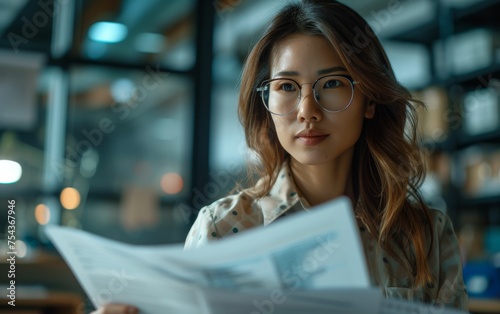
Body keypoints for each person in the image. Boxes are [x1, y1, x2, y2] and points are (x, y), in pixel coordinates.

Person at [93, 0, 468, 313]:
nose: (307, 109)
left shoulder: (427, 235)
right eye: (287, 86)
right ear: (267, 105)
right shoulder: (223, 230)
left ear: (369, 99)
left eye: (333, 83)